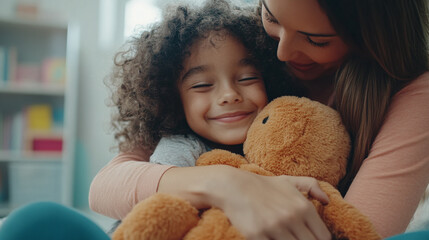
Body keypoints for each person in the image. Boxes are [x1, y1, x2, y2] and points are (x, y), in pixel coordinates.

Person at [90, 0, 429, 239]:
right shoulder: (242, 44)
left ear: (373, 37)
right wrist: (230, 185)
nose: (280, 54)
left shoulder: (412, 93)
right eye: (272, 17)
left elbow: (361, 230)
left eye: (316, 39)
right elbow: (107, 185)